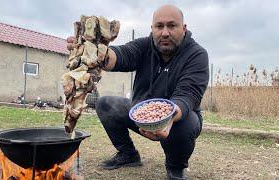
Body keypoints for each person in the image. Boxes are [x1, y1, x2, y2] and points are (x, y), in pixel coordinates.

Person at [67, 4, 209, 180]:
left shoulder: (197, 55)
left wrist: (166, 117)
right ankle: (128, 154)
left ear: (184, 28)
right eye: (159, 26)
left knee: (187, 124)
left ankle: (175, 167)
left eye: (172, 26)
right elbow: (121, 55)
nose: (165, 32)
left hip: (177, 118)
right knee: (105, 104)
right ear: (152, 29)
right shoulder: (144, 46)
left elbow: (188, 95)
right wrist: (97, 53)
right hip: (141, 113)